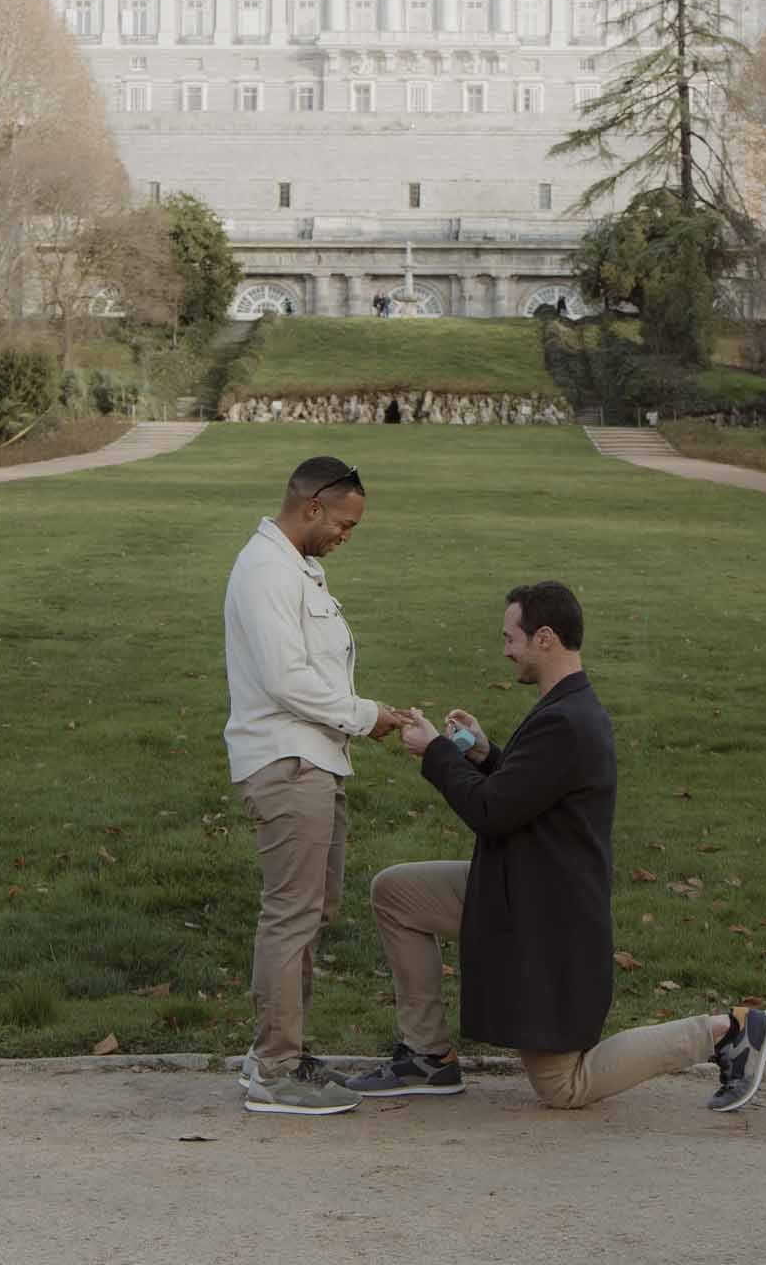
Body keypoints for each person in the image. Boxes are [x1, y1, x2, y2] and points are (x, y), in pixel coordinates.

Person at [343, 581, 766, 1113]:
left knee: (563, 1085)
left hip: (546, 918)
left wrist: (435, 752)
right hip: (520, 887)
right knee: (397, 892)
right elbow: (528, 792)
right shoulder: (567, 708)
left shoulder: (568, 721)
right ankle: (427, 1056)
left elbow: (491, 812)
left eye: (511, 637)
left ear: (544, 637)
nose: (505, 650)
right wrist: (482, 754)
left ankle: (724, 1031)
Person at [221, 456, 414, 1115]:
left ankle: (280, 1052)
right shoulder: (267, 569)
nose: (345, 536)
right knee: (291, 914)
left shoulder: (295, 567)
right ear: (310, 507)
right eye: (343, 523)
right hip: (287, 764)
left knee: (310, 911)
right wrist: (365, 716)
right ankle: (275, 1068)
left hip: (311, 761)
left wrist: (367, 715)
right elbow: (286, 680)